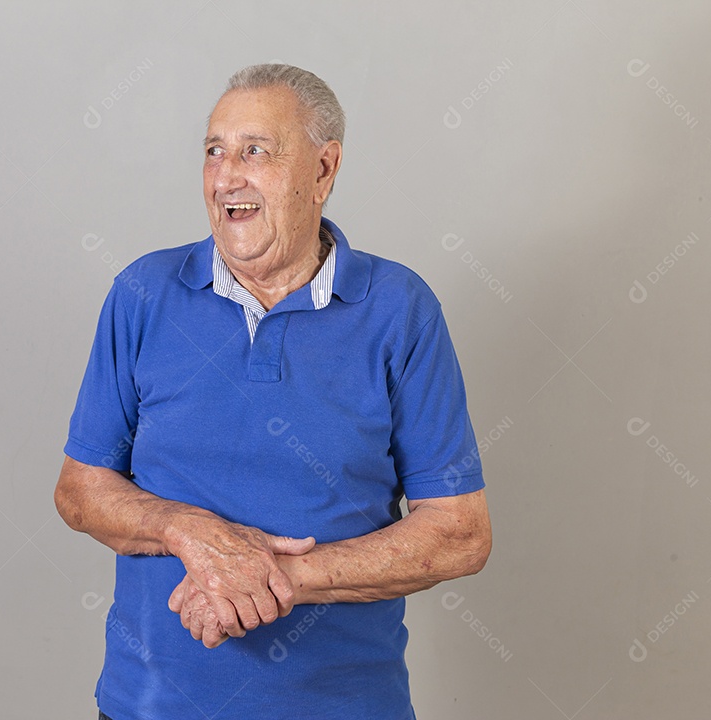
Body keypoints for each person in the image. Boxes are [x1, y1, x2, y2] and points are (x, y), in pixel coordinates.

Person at [55, 63, 492, 720]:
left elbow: (459, 533)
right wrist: (192, 533)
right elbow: (79, 491)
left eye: (254, 150)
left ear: (323, 170)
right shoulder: (143, 294)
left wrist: (279, 576)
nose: (226, 174)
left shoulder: (400, 309)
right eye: (213, 151)